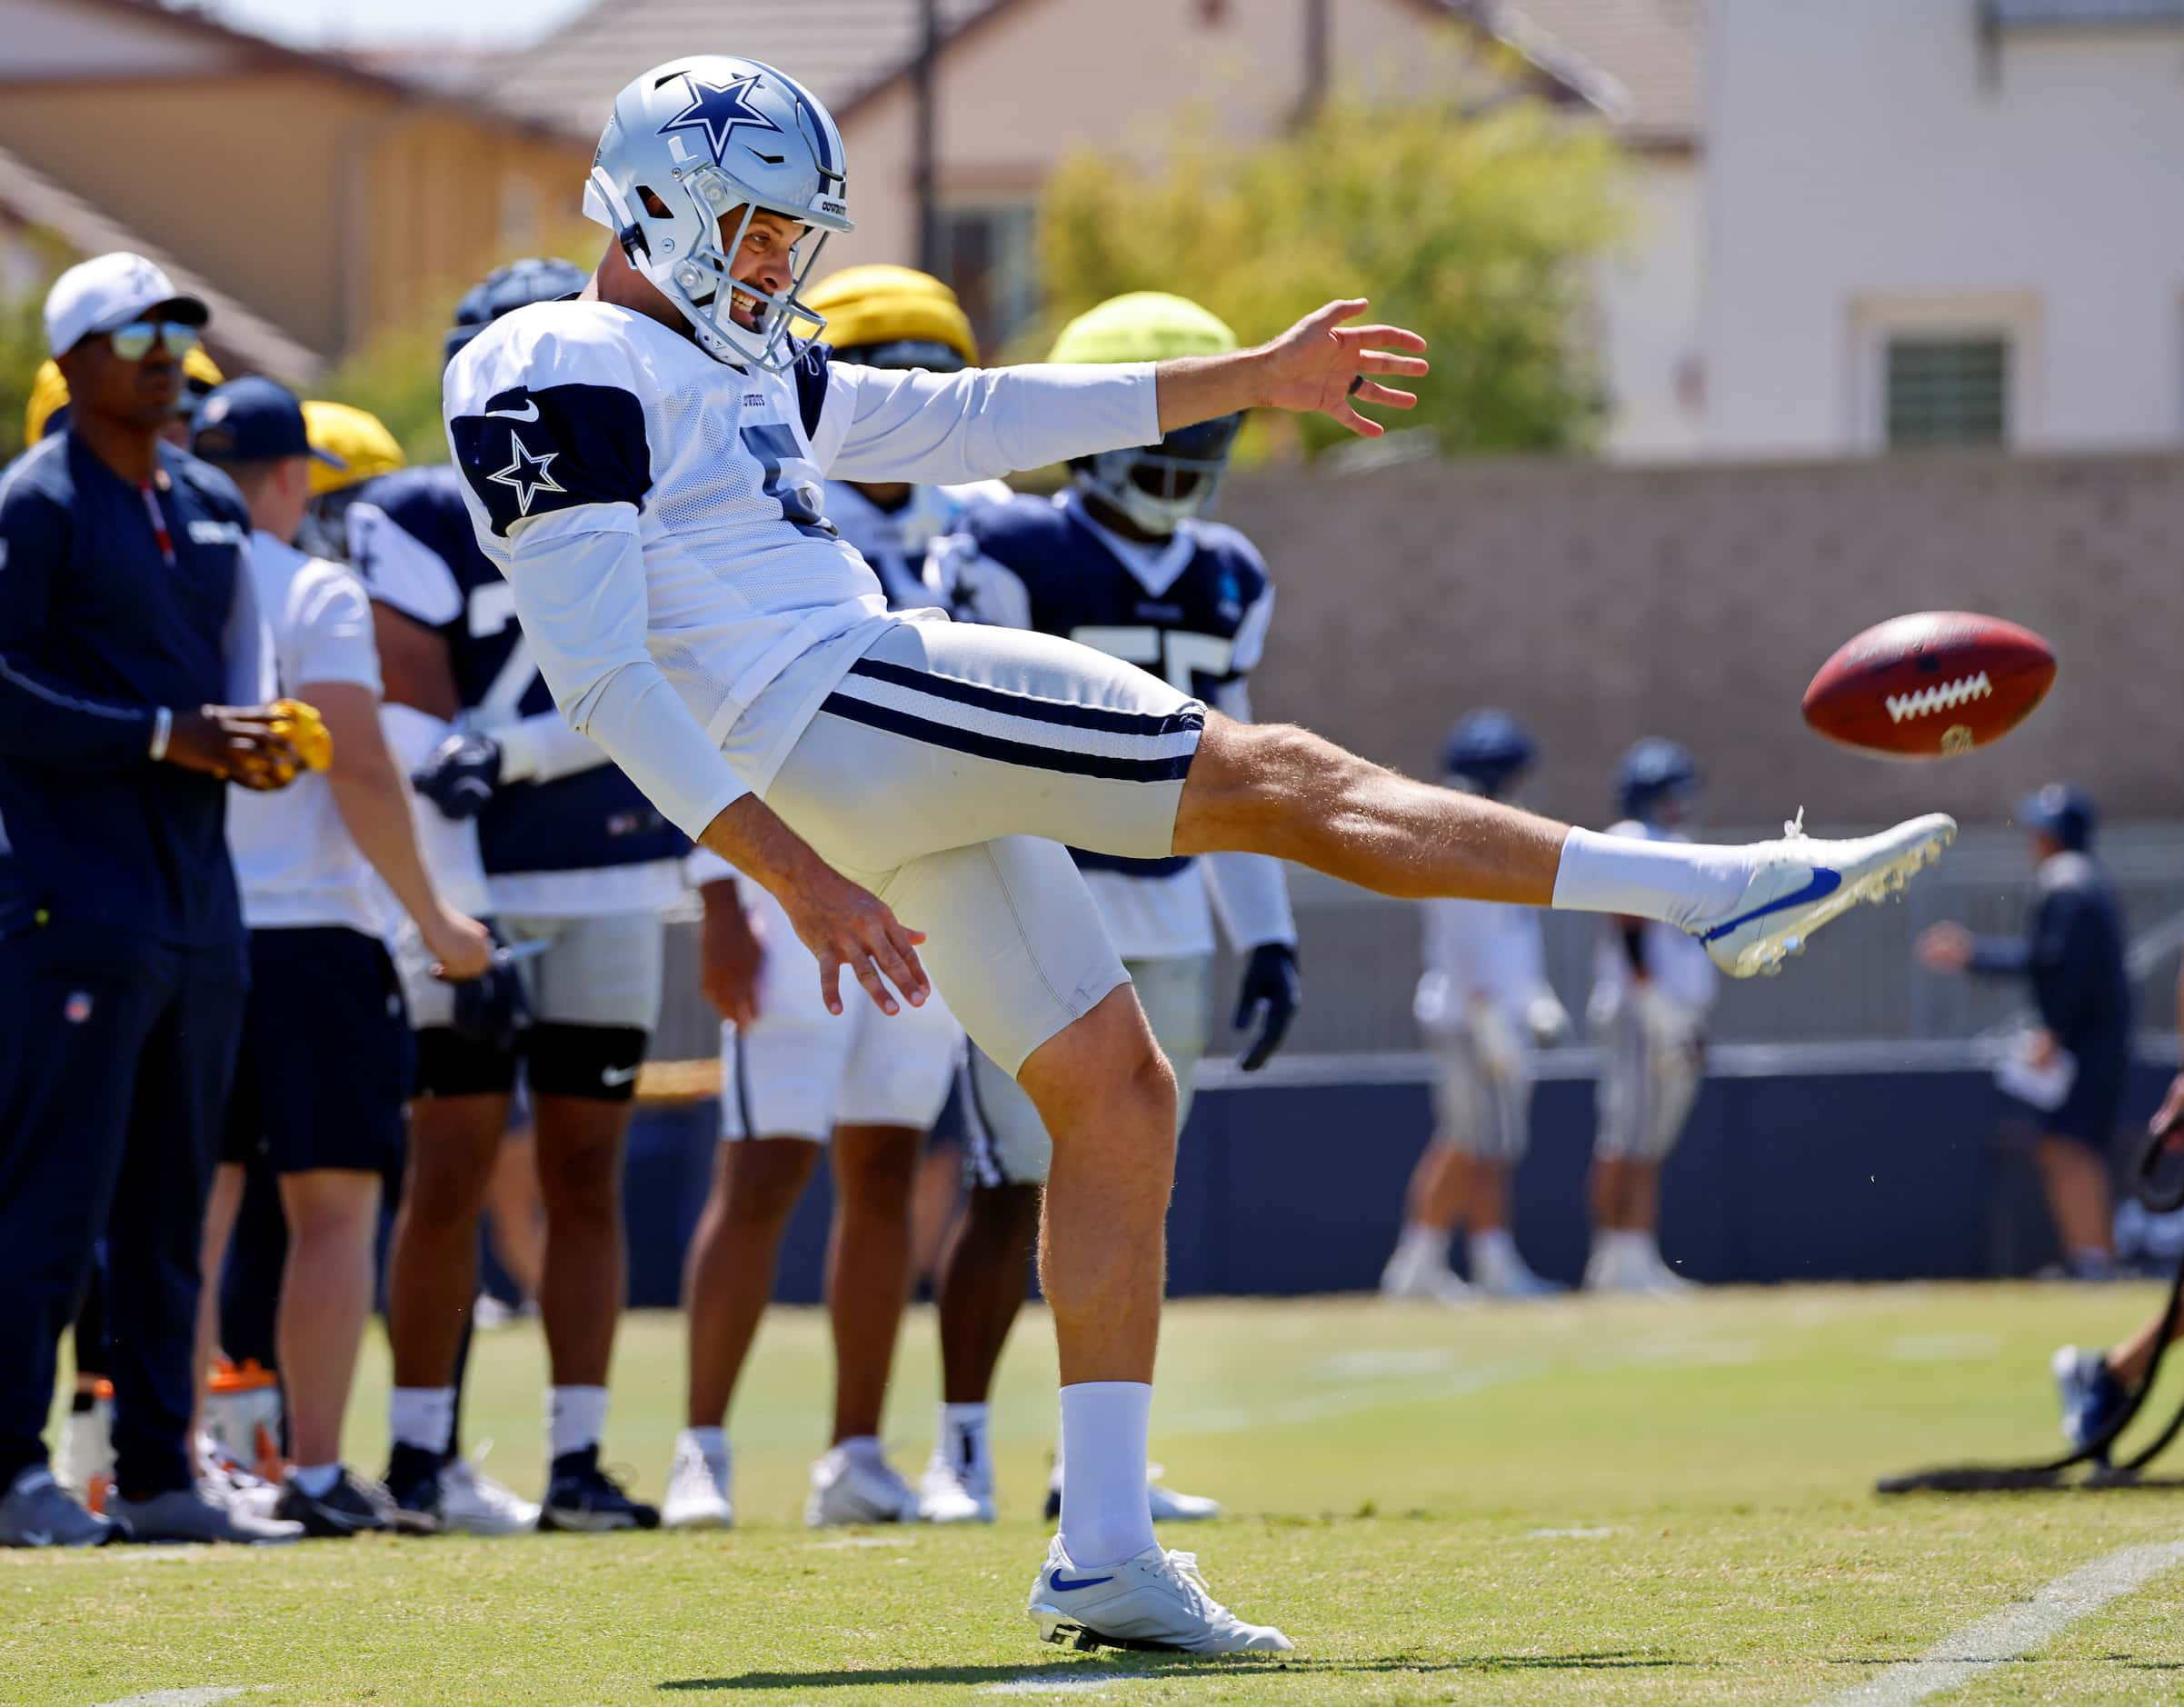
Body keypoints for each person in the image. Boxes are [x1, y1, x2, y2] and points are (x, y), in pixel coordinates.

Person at [444, 54, 1953, 1652]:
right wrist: (792, 872)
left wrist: (1249, 373)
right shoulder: (554, 356)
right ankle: (1711, 890)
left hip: (845, 742)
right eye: (750, 228)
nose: (771, 263)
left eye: (786, 235)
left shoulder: (740, 365)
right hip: (830, 706)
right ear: (659, 197)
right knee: (1276, 773)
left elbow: (966, 416)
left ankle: (1099, 1543)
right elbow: (603, 677)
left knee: (1115, 1089)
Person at [920, 291, 1299, 1528]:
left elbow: (1239, 768)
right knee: (1003, 1184)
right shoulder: (1009, 548)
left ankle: (1101, 1463)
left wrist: (1269, 930)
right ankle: (959, 1449)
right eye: (1170, 426)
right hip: (1040, 890)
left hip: (1173, 907)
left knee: (1131, 1192)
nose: (1188, 457)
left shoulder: (1230, 575)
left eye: (1209, 431)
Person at [356, 255, 687, 1535]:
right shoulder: (416, 515)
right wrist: (452, 911)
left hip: (603, 865)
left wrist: (528, 750)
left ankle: (578, 1459)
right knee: (446, 1166)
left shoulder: (653, 495)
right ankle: (421, 1452)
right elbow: (413, 731)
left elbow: (665, 677)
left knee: (586, 1171)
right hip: (470, 881)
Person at [663, 265, 991, 1532]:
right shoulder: (769, 492)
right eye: (886, 358)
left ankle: (855, 1446)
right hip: (791, 874)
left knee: (886, 1163)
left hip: (920, 873)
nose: (908, 386)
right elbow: (682, 686)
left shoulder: (972, 514)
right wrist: (720, 893)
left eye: (929, 357)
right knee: (763, 1165)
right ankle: (701, 1446)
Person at [0, 252, 307, 1548]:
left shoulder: (201, 495)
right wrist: (159, 736)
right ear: (72, 362)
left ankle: (161, 1472)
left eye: (179, 323)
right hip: (76, 893)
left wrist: (257, 734)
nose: (164, 346)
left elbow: (229, 674)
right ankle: (15, 1471)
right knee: (53, 1198)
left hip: (198, 897)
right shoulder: (35, 501)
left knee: (174, 1202)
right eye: (133, 331)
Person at [191, 376, 495, 1535]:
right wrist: (434, 922)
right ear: (289, 478)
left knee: (194, 1211)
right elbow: (361, 772)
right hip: (315, 935)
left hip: (190, 931)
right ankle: (314, 1469)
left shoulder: (152, 577)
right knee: (331, 1213)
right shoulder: (315, 586)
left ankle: (176, 1459)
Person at [1383, 711, 1569, 1304]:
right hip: (1471, 1017)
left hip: (1491, 1013)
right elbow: (1461, 935)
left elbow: (1506, 931)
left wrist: (1531, 998)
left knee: (1485, 1141)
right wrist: (1489, 1014)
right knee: (1471, 1142)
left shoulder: (1492, 832)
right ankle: (1434, 1264)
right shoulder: (1457, 832)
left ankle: (1471, 1261)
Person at [1920, 784, 2132, 1282]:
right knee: (2070, 1149)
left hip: (2085, 1045)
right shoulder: (2083, 882)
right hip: (2096, 1040)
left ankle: (2093, 1260)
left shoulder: (2068, 885)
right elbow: (2056, 963)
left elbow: (2061, 965)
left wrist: (2055, 1032)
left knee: (2068, 1149)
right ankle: (2093, 1259)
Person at [1584, 740, 1719, 1295]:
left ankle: (1637, 1252)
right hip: (1644, 1011)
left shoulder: (1680, 844)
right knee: (1627, 1135)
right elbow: (1628, 923)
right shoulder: (1631, 840)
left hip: (1676, 1013)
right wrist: (1655, 1003)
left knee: (1652, 1138)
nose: (1678, 804)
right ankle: (1611, 1254)